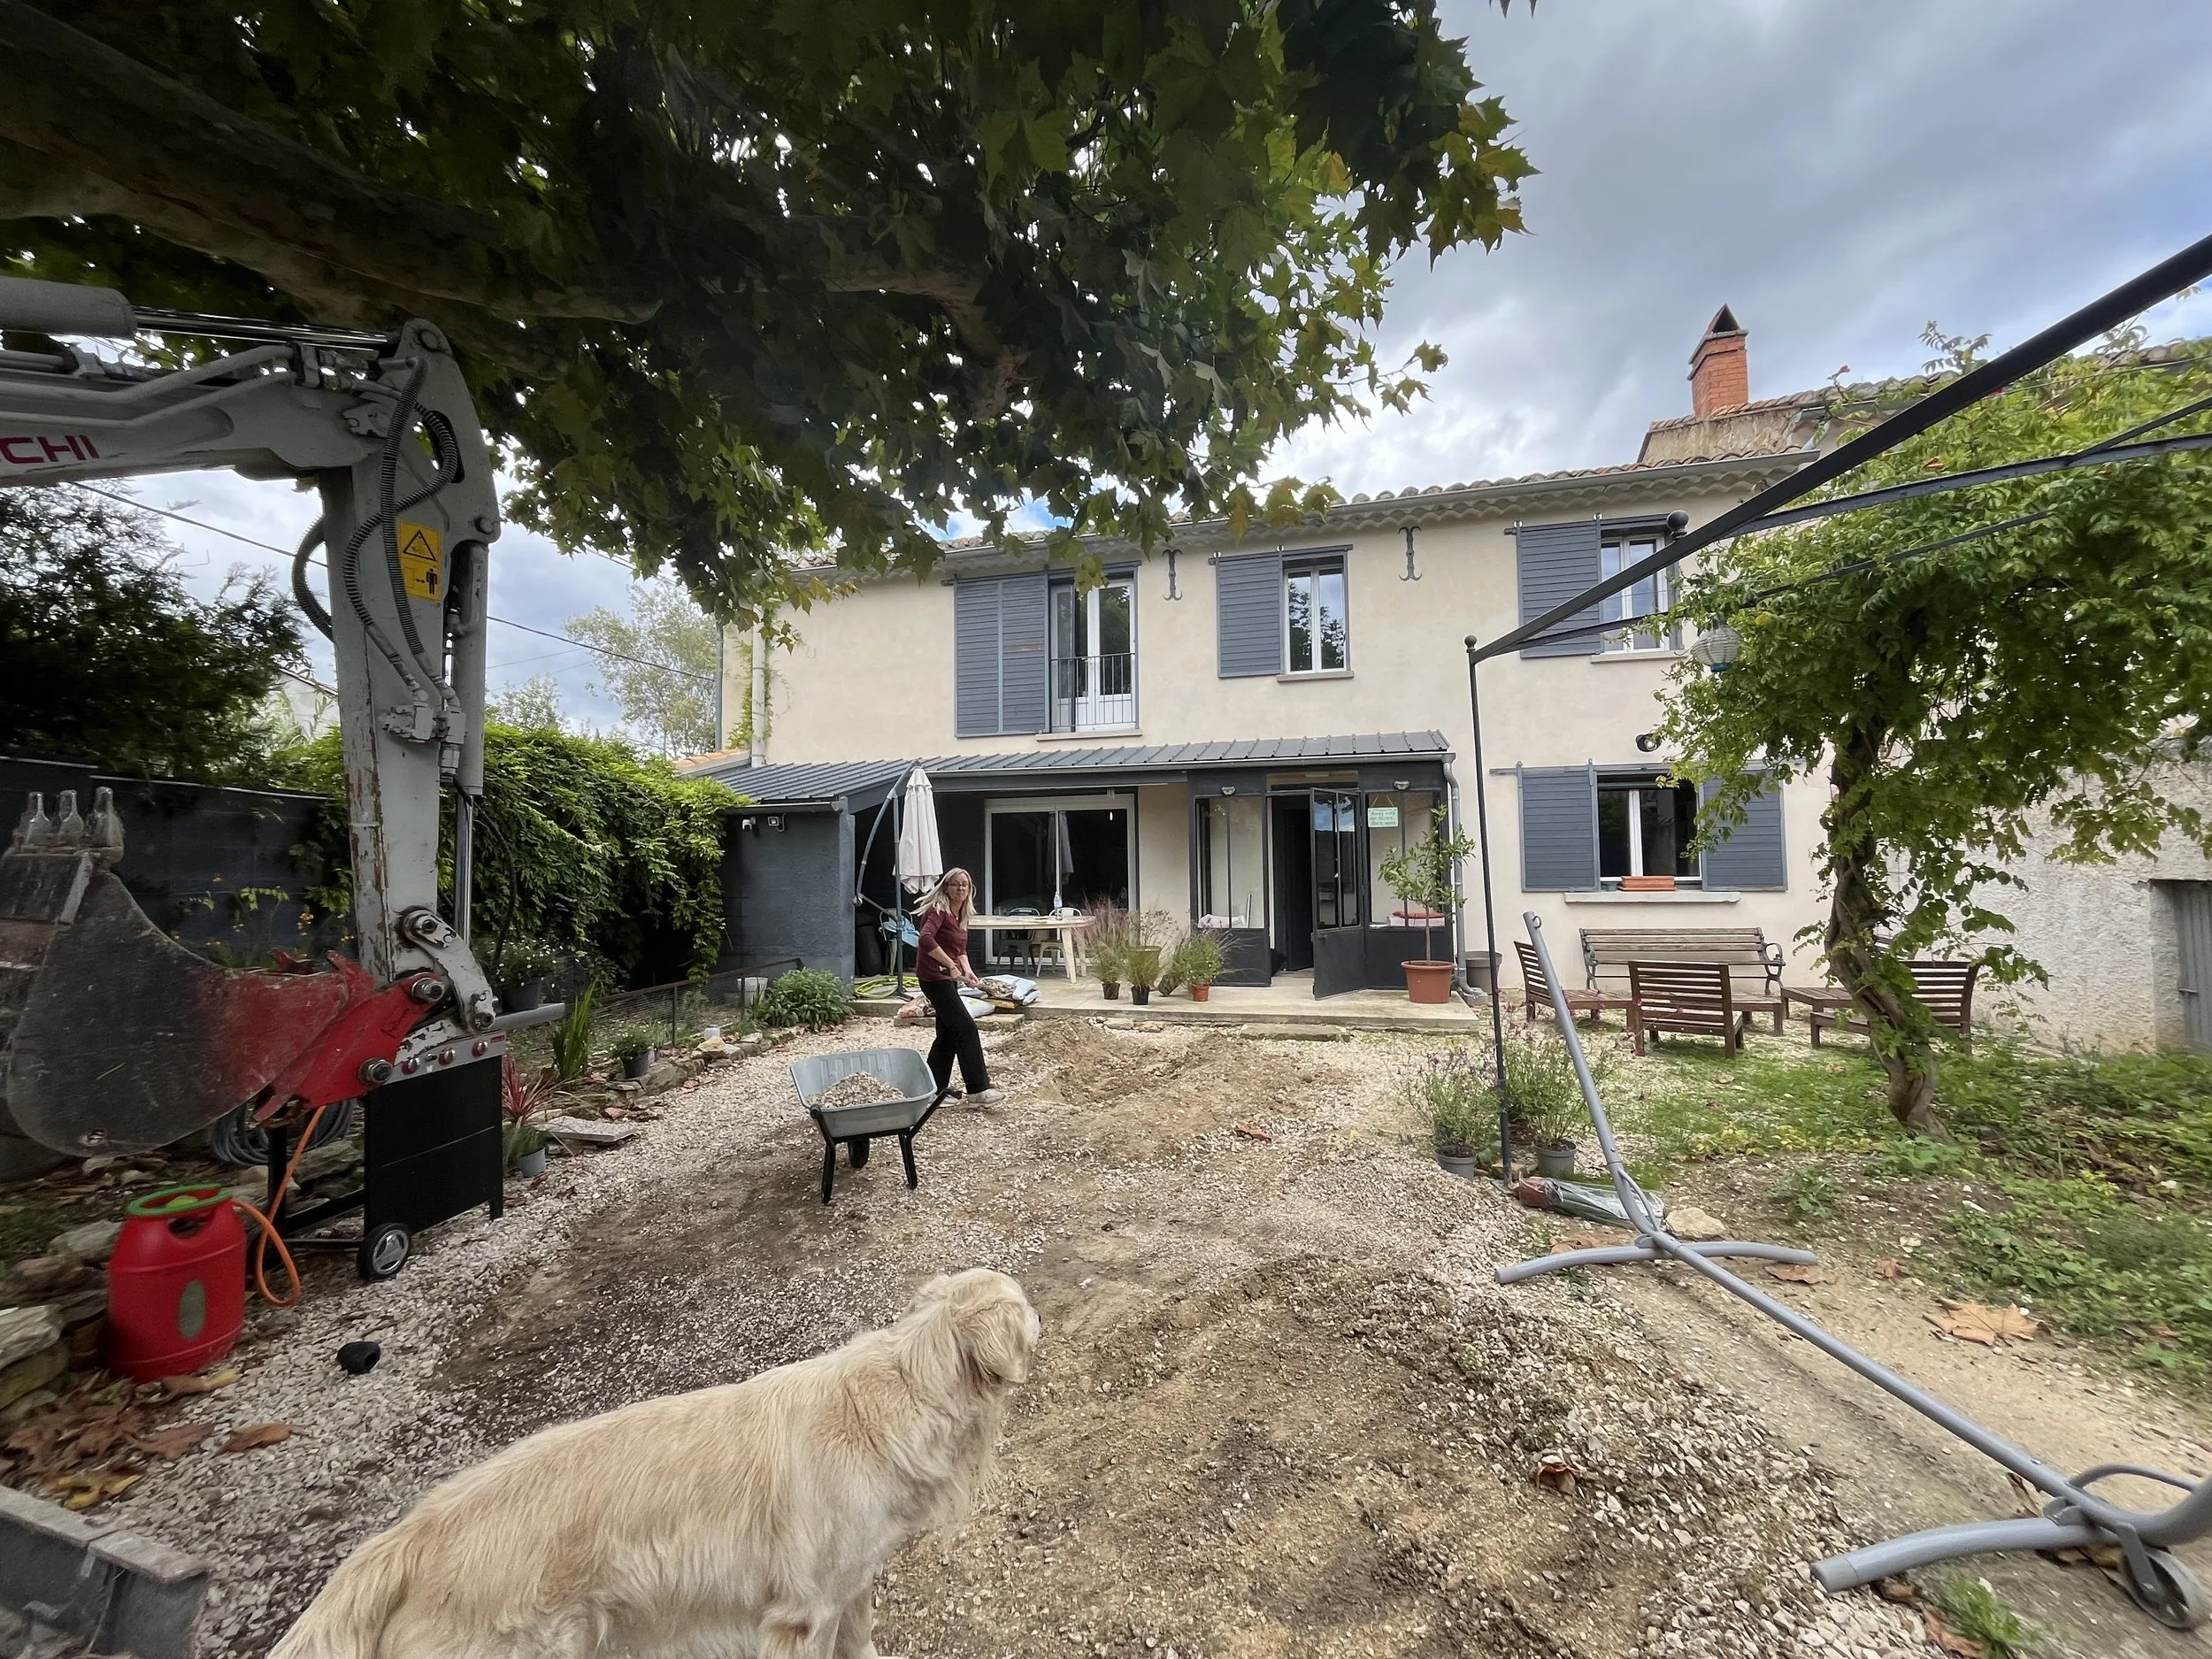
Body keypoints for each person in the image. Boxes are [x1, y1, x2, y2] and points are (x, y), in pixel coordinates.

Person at [914, 869, 1002, 1105]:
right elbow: (925, 939)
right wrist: (950, 965)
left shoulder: (959, 914)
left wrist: (967, 969)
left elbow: (960, 949)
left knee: (947, 1035)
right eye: (955, 884)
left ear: (969, 889)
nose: (960, 888)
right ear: (946, 887)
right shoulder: (938, 911)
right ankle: (978, 1091)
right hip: (934, 979)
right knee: (966, 1029)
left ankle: (933, 1091)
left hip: (948, 979)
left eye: (965, 885)